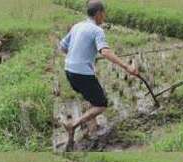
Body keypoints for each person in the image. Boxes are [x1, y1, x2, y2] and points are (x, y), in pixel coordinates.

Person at [59, 0, 139, 149]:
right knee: (101, 104)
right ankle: (73, 125)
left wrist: (82, 55)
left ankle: (93, 128)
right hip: (82, 73)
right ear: (98, 14)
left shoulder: (77, 26)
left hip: (69, 70)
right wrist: (127, 67)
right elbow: (105, 51)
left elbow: (62, 47)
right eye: (104, 13)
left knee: (90, 97)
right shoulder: (97, 30)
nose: (105, 16)